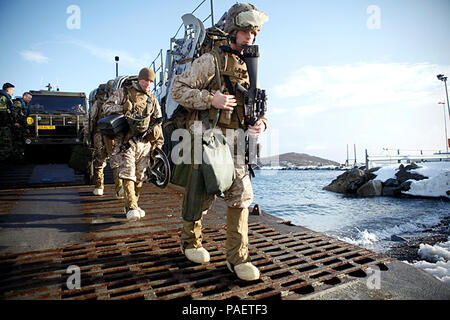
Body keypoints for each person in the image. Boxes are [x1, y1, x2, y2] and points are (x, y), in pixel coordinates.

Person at [171, 3, 269, 281]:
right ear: (233, 31)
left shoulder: (251, 64)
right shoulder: (211, 60)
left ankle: (237, 258)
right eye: (245, 30)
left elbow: (256, 104)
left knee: (241, 198)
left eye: (254, 31)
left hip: (238, 143)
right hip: (209, 138)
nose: (250, 36)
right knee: (201, 195)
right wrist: (209, 99)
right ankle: (191, 241)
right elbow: (178, 89)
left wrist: (261, 123)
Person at [103, 68, 164, 221]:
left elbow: (158, 121)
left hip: (144, 143)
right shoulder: (125, 92)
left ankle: (133, 204)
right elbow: (106, 107)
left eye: (151, 81)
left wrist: (159, 143)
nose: (149, 84)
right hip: (126, 143)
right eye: (146, 80)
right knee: (128, 174)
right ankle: (131, 207)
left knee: (140, 177)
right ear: (139, 79)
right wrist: (122, 108)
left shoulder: (152, 98)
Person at [12, 92, 32, 161]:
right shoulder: (18, 103)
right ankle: (16, 158)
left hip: (22, 126)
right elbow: (14, 114)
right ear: (24, 97)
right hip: (17, 126)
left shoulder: (26, 105)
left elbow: (25, 118)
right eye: (29, 98)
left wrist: (26, 128)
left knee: (22, 142)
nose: (30, 99)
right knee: (17, 142)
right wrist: (15, 122)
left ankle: (20, 157)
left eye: (31, 98)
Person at [0, 83, 16, 162]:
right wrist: (5, 124)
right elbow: (2, 112)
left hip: (6, 124)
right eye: (12, 90)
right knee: (4, 145)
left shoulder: (6, 98)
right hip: (3, 125)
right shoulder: (3, 98)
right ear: (7, 90)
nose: (13, 93)